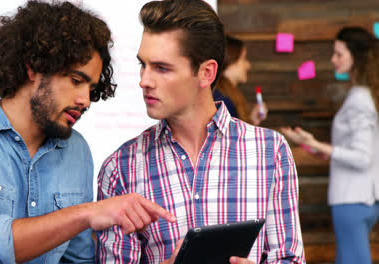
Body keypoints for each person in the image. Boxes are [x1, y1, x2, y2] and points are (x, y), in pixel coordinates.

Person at [0, 1, 176, 263]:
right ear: (33, 67)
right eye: (76, 81)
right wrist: (86, 214)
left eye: (91, 89)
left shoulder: (76, 151)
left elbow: (77, 261)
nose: (85, 99)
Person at [96, 0, 305, 263]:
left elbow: (289, 258)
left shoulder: (270, 152)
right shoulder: (120, 168)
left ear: (206, 73)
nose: (144, 81)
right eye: (143, 64)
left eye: (161, 68)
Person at [281, 27, 379, 264]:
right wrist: (312, 146)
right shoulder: (364, 96)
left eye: (339, 54)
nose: (333, 60)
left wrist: (316, 144)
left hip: (352, 200)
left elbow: (362, 157)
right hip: (360, 199)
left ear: (356, 57)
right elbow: (353, 150)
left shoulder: (360, 100)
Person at [212, 35, 267, 125]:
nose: (248, 65)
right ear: (230, 61)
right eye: (243, 59)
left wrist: (252, 121)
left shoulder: (227, 95)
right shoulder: (223, 102)